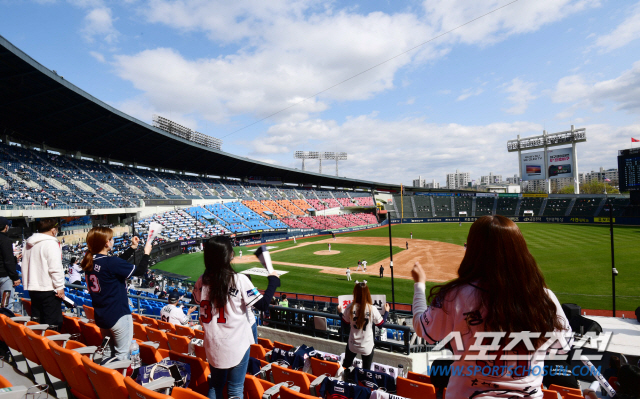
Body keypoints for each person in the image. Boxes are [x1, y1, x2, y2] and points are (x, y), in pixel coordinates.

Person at [411, 215, 571, 398]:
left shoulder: (455, 296)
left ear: (472, 250)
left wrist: (419, 285)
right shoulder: (544, 298)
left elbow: (423, 329)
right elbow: (562, 347)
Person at [193, 236, 280, 399]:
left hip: (213, 344)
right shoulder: (239, 280)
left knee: (215, 386)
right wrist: (273, 281)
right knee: (234, 389)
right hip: (236, 345)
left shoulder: (202, 280)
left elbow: (197, 299)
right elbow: (262, 305)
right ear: (229, 256)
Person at [82, 226, 153, 360]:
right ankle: (118, 381)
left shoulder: (89, 262)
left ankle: (105, 377)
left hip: (102, 316)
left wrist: (132, 248)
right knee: (122, 356)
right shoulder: (110, 262)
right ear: (106, 243)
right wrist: (146, 253)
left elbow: (116, 263)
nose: (113, 240)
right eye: (111, 238)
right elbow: (139, 271)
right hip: (118, 315)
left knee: (108, 353)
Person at [22, 218, 65, 330]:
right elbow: (55, 267)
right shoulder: (51, 243)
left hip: (33, 287)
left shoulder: (29, 242)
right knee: (53, 324)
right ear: (53, 230)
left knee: (38, 322)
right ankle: (50, 347)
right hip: (48, 289)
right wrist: (59, 286)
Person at [338, 281, 389, 371]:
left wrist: (340, 313)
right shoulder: (371, 308)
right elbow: (381, 325)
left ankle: (343, 382)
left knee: (346, 366)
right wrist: (386, 312)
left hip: (352, 345)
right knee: (366, 370)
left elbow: (345, 323)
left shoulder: (350, 307)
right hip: (366, 346)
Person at [0, 217, 20, 305]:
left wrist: (14, 259)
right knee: (6, 303)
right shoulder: (5, 240)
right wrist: (15, 277)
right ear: (6, 227)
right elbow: (8, 260)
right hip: (4, 276)